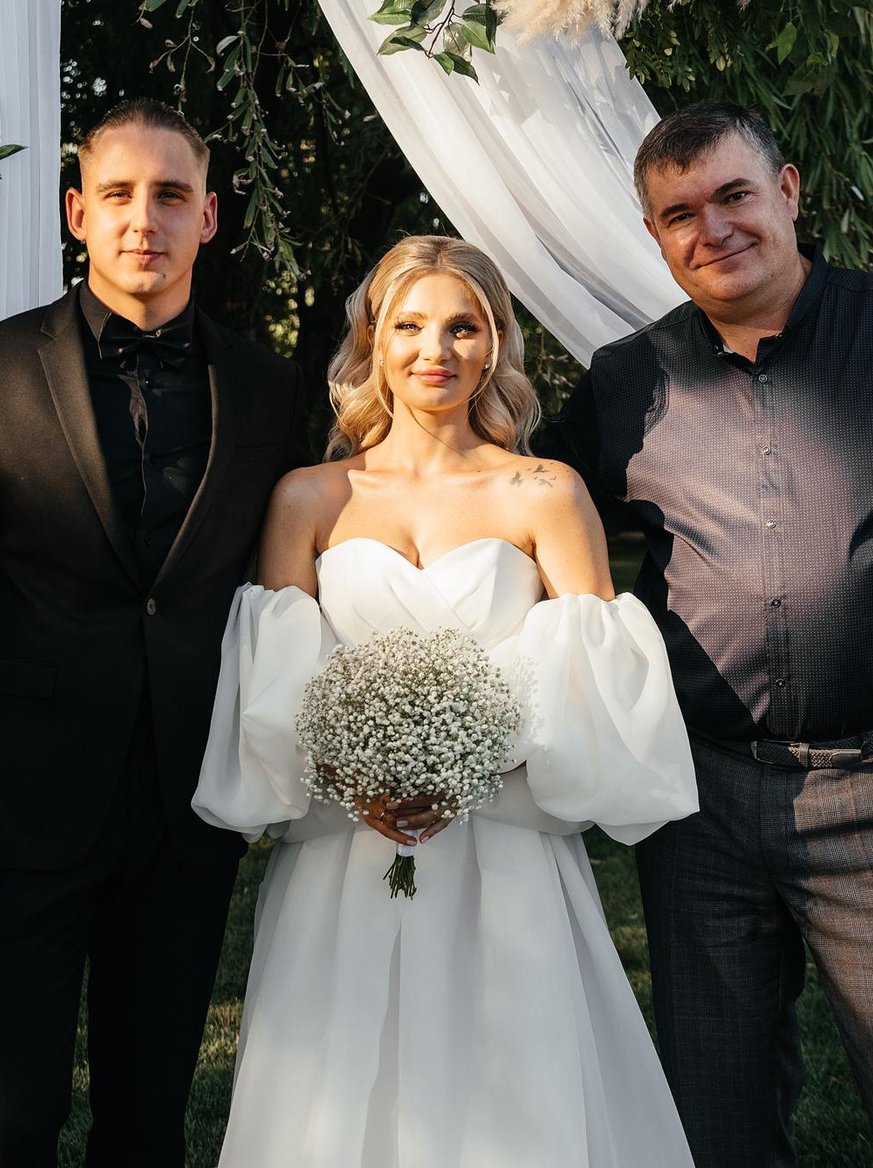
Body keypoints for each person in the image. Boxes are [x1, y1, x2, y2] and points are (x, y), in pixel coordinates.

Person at [538, 102, 873, 1167]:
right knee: (716, 1123)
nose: (712, 230)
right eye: (680, 214)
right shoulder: (628, 380)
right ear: (655, 235)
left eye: (733, 195)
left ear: (789, 190)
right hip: (698, 801)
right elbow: (522, 510)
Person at [192, 235, 699, 1168]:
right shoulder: (308, 497)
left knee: (514, 1102)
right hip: (347, 849)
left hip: (505, 852)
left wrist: (468, 761)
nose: (437, 349)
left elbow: (596, 685)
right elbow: (276, 689)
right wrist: (356, 777)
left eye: (463, 327)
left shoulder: (546, 492)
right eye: (410, 326)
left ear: (496, 343)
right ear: (373, 341)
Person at [0, 98, 306, 1166]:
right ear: (78, 212)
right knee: (8, 1122)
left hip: (187, 811)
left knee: (147, 1123)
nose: (143, 219)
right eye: (118, 193)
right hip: (14, 818)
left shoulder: (269, 391)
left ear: (207, 216)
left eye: (171, 195)